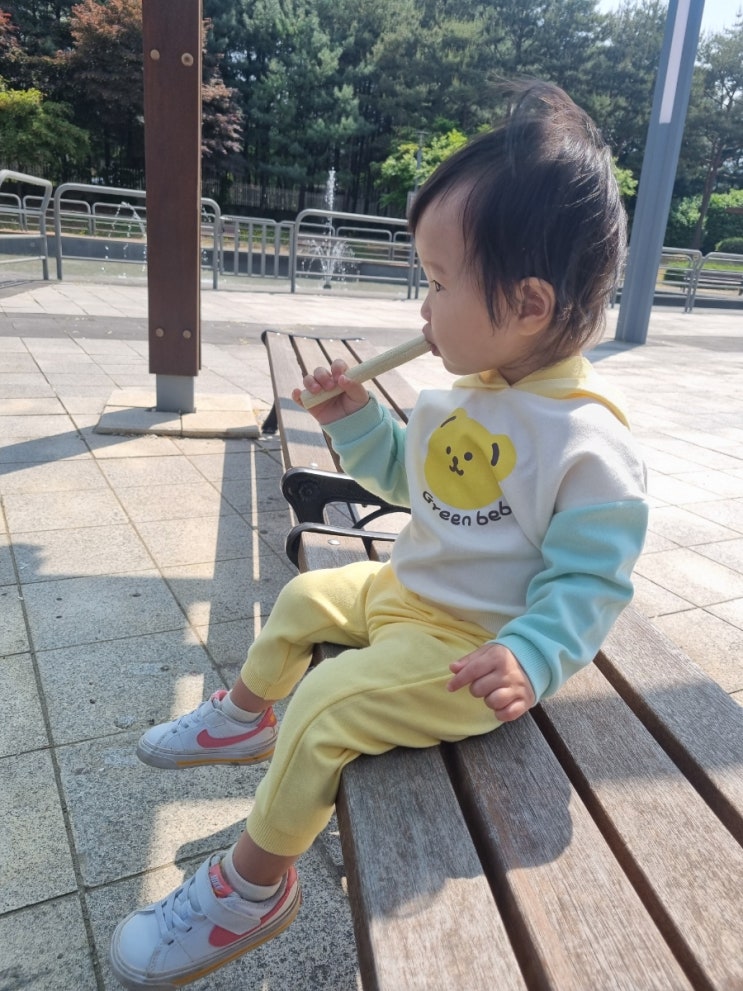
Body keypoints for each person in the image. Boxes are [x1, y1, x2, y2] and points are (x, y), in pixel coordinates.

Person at [110, 80, 648, 990]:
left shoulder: (587, 442)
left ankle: (253, 886)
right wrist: (357, 419)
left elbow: (591, 583)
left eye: (436, 283)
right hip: (406, 592)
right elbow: (409, 480)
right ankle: (242, 717)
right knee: (303, 596)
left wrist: (531, 654)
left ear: (526, 304)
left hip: (470, 651)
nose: (421, 311)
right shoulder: (469, 389)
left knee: (327, 706)